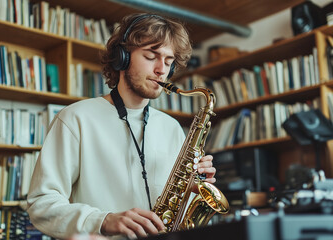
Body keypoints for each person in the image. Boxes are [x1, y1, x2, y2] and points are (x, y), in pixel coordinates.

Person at [26, 13, 217, 240]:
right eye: (150, 56)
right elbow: (41, 205)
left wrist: (192, 190)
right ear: (122, 58)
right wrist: (103, 220)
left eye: (168, 61)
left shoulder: (172, 128)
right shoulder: (75, 118)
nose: (161, 69)